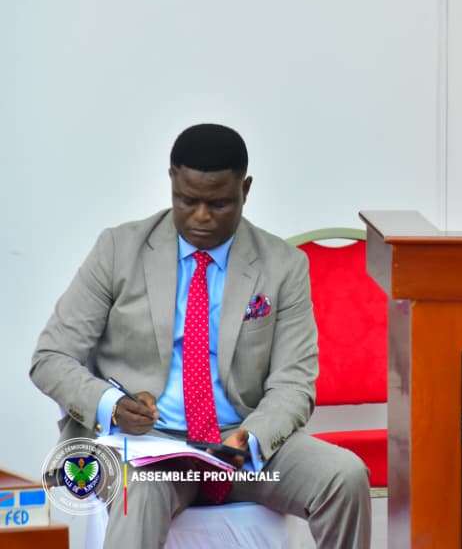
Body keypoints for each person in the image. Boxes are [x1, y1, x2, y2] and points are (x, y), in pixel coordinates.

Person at [30, 124, 371, 548]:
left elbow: (294, 383)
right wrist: (113, 406)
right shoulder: (119, 250)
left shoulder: (283, 266)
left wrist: (251, 438)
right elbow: (51, 357)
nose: (201, 217)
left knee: (345, 477)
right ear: (171, 181)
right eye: (187, 201)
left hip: (241, 444)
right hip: (145, 446)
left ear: (245, 189)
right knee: (139, 491)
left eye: (219, 203)